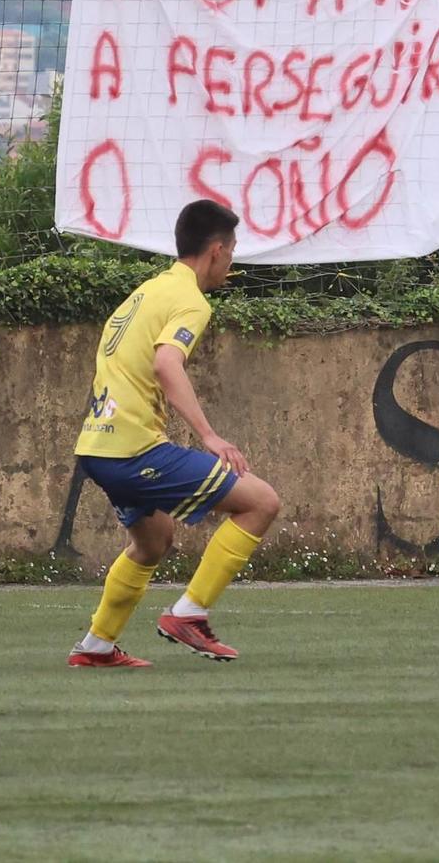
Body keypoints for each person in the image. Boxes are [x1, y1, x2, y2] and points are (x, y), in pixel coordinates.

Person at [69, 199, 285, 666]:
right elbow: (166, 362)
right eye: (232, 250)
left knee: (153, 541)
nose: (232, 259)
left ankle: (96, 646)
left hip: (97, 446)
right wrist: (210, 435)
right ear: (215, 250)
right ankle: (190, 613)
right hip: (132, 450)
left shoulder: (146, 292)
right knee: (261, 502)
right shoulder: (190, 301)